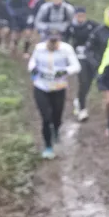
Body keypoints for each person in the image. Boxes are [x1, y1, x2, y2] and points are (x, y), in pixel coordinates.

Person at [28, 29, 81, 159]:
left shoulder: (66, 49)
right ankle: (48, 147)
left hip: (58, 88)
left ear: (59, 39)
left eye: (55, 41)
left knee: (57, 116)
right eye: (50, 41)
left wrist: (63, 72)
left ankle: (56, 131)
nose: (53, 44)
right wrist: (34, 70)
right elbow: (32, 63)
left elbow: (76, 66)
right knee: (46, 118)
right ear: (46, 40)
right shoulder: (39, 49)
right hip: (41, 87)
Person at [65, 7, 100, 121]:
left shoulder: (92, 25)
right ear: (75, 16)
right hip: (78, 58)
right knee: (83, 81)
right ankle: (82, 109)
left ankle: (79, 99)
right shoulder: (71, 27)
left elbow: (100, 35)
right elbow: (65, 41)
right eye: (78, 15)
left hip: (91, 58)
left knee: (89, 82)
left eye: (82, 15)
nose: (80, 18)